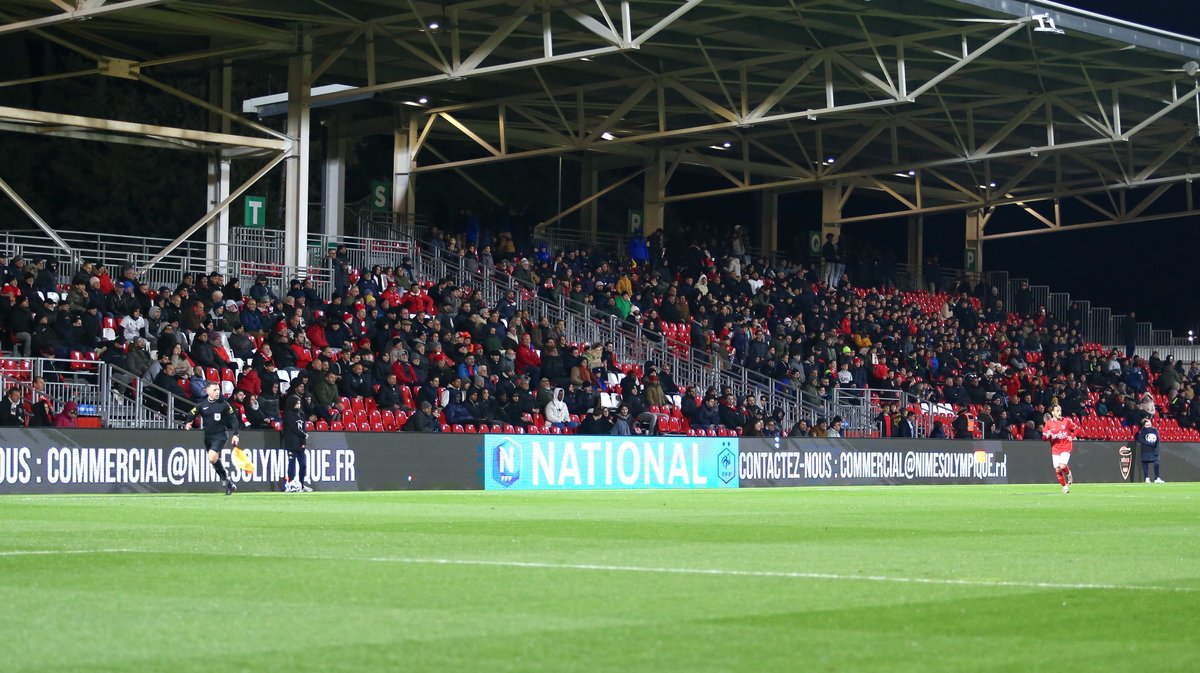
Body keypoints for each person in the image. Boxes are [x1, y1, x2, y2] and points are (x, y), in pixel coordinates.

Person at [184, 382, 244, 496]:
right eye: (214, 390)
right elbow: (191, 413)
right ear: (208, 391)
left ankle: (224, 480)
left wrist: (236, 434)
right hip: (208, 437)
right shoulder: (202, 404)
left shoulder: (224, 404)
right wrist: (188, 422)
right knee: (215, 461)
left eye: (218, 390)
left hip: (220, 436)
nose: (217, 392)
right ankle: (228, 483)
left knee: (211, 458)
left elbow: (233, 420)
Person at [1042, 403, 1081, 494]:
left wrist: (1072, 436)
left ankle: (1068, 473)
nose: (1059, 413)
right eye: (1057, 411)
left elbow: (1077, 428)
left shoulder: (1066, 421)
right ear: (1052, 412)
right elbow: (1043, 439)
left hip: (1066, 446)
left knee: (1062, 466)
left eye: (1060, 411)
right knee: (1057, 469)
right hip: (1055, 448)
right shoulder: (1048, 424)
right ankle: (1065, 487)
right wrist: (1047, 436)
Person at [282, 395, 312, 492]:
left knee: (303, 464)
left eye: (299, 403)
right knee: (292, 463)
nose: (299, 405)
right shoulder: (288, 414)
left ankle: (301, 484)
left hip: (300, 443)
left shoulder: (302, 414)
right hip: (291, 442)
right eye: (297, 403)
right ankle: (290, 484)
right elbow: (293, 427)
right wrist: (303, 435)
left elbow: (303, 428)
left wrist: (303, 440)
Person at [1124, 416, 1164, 484]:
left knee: (1156, 463)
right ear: (1144, 425)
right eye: (1147, 424)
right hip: (1145, 450)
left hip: (1154, 450)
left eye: (1149, 423)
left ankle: (1157, 478)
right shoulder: (1142, 432)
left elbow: (1157, 439)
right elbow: (1141, 440)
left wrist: (1156, 447)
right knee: (1145, 464)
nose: (1148, 425)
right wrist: (1150, 444)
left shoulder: (1155, 430)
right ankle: (1146, 478)